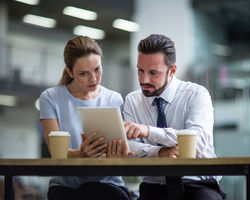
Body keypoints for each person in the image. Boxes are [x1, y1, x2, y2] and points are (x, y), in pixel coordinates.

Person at [123, 34, 226, 200]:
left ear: (172, 71)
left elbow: (197, 142)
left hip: (198, 184)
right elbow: (128, 147)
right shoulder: (132, 101)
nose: (144, 79)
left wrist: (149, 131)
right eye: (140, 70)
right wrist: (160, 153)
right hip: (154, 186)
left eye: (153, 73)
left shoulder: (196, 94)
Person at [39, 36, 132, 200]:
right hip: (65, 187)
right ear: (69, 72)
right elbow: (56, 152)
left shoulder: (113, 98)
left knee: (94, 191)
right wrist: (81, 154)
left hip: (108, 185)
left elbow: (123, 149)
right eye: (83, 73)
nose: (93, 79)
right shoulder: (50, 98)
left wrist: (118, 154)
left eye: (97, 69)